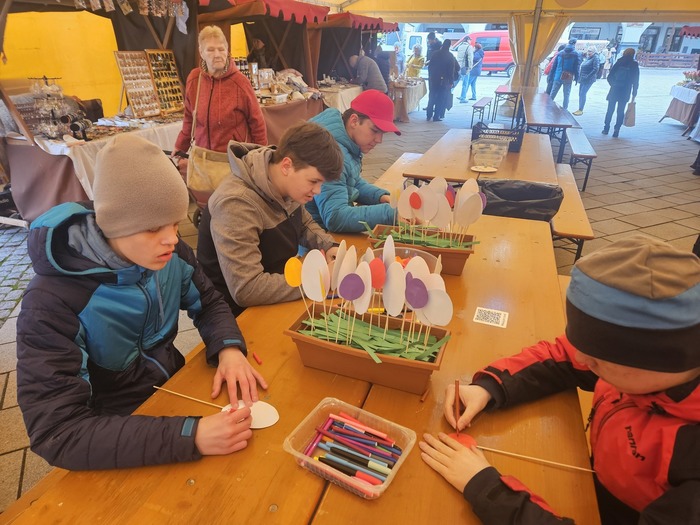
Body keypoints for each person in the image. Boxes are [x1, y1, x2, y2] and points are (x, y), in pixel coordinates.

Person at [16, 134, 268, 471]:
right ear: (113, 225)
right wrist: (189, 436)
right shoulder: (50, 303)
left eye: (176, 222)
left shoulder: (172, 255)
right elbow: (58, 432)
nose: (172, 239)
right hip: (111, 430)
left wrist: (228, 348)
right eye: (152, 228)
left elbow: (208, 302)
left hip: (173, 391)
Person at [420, 236, 700, 524]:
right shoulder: (643, 368)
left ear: (654, 358)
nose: (581, 359)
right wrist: (489, 387)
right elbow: (561, 356)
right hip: (600, 479)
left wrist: (487, 489)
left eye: (596, 359)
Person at [197, 122, 343, 317]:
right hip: (240, 314)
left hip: (278, 289)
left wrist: (329, 246)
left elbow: (304, 224)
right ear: (287, 166)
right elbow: (247, 289)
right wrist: (318, 279)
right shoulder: (236, 204)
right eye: (314, 181)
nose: (317, 191)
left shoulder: (285, 183)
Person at [173, 26, 267, 176]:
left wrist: (259, 160)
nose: (217, 54)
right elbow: (189, 119)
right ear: (201, 52)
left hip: (233, 163)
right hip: (203, 161)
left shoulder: (240, 83)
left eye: (221, 49)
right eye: (210, 50)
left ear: (227, 50)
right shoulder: (194, 79)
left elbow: (257, 124)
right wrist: (180, 147)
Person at [306, 89, 401, 233]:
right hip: (316, 237)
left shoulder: (344, 141)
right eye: (375, 130)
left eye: (383, 133)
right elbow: (335, 217)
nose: (379, 140)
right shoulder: (330, 153)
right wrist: (391, 214)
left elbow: (351, 181)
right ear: (354, 121)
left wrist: (380, 196)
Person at [603, 47, 640, 138]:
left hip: (615, 89)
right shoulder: (634, 65)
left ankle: (606, 128)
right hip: (625, 90)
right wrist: (634, 93)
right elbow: (636, 80)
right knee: (620, 111)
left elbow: (609, 76)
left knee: (610, 110)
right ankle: (617, 130)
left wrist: (613, 84)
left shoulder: (619, 62)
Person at [427, 39, 459, 122]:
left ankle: (428, 114)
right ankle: (436, 116)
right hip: (443, 81)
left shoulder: (435, 54)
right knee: (440, 98)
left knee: (432, 96)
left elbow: (430, 67)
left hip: (433, 79)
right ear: (449, 46)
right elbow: (451, 71)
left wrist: (431, 76)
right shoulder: (450, 56)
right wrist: (451, 82)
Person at [548, 42, 580, 110]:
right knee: (566, 95)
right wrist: (577, 78)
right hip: (568, 77)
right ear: (574, 45)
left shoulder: (560, 53)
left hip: (558, 76)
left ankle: (548, 107)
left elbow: (554, 66)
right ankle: (565, 110)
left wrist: (550, 76)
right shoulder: (575, 54)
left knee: (553, 93)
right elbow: (576, 68)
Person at [572, 46, 599, 116]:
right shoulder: (588, 57)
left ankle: (581, 109)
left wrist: (588, 76)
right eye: (588, 51)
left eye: (590, 51)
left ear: (594, 52)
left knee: (582, 93)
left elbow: (596, 68)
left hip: (588, 79)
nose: (588, 52)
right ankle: (580, 108)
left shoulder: (595, 58)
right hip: (583, 78)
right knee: (580, 93)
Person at [455, 36, 474, 103]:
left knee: (455, 82)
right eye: (470, 40)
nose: (470, 41)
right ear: (467, 40)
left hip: (458, 66)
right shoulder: (469, 47)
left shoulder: (459, 47)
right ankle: (463, 98)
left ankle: (448, 94)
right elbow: (470, 58)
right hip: (465, 68)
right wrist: (470, 67)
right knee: (465, 84)